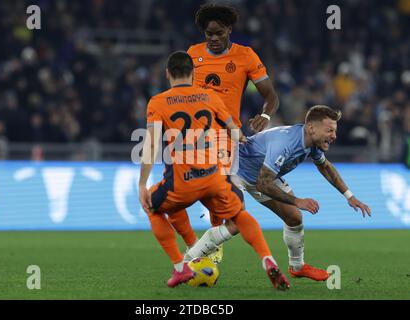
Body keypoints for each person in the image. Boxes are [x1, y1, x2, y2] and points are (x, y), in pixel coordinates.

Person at [138, 51, 289, 290]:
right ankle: (267, 259)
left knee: (152, 206)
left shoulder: (158, 102)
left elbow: (153, 143)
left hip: (182, 181)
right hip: (214, 178)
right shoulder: (209, 96)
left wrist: (141, 184)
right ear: (193, 73)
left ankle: (180, 267)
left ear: (167, 73)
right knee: (239, 215)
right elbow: (235, 131)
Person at [184, 105, 372, 281]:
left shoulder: (311, 143)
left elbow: (325, 167)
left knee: (294, 218)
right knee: (235, 225)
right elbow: (263, 184)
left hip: (262, 174)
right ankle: (186, 262)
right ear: (311, 128)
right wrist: (297, 200)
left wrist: (350, 196)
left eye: (335, 131)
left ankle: (297, 267)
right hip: (236, 172)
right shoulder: (286, 143)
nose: (334, 136)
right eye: (330, 131)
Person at [168, 3, 280, 264]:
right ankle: (211, 237)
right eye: (209, 34)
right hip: (191, 138)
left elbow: (270, 95)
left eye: (219, 33)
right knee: (195, 192)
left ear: (229, 29)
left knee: (219, 190)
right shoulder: (193, 54)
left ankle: (212, 249)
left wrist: (265, 115)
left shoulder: (246, 56)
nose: (214, 39)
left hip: (226, 137)